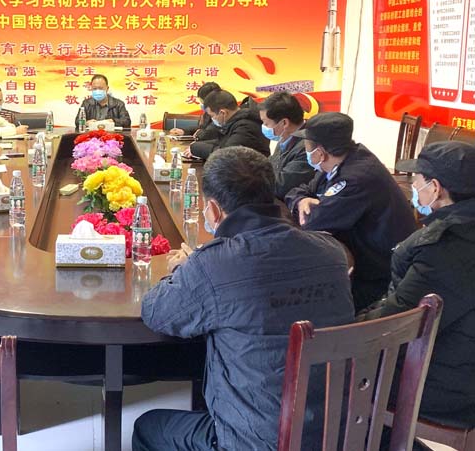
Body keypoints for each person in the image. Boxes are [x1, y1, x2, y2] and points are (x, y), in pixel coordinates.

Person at [133, 146, 354, 451]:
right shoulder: (331, 252)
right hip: (337, 435)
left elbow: (156, 312)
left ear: (213, 210)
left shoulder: (215, 264)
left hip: (255, 443)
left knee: (148, 427)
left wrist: (186, 269)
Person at [358, 141, 475, 428]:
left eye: (417, 180)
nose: (413, 186)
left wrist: (348, 324)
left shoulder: (447, 246)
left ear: (435, 188)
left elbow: (399, 319)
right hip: (459, 365)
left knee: (328, 369)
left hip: (442, 386)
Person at [284, 112, 417, 311]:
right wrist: (301, 200)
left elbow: (313, 223)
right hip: (361, 257)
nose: (305, 151)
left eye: (307, 146)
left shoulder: (356, 178)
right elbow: (299, 191)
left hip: (377, 276)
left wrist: (307, 206)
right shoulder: (343, 160)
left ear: (320, 152)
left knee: (310, 304)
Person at [258, 91, 316, 200]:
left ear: (284, 123)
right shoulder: (284, 138)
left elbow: (281, 187)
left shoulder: (307, 147)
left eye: (266, 123)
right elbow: (267, 166)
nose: (264, 127)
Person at [187, 90, 270, 160]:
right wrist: (196, 145)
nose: (212, 119)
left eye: (212, 116)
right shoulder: (237, 121)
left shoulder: (246, 127)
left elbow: (225, 154)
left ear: (223, 113)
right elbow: (222, 142)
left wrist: (196, 148)